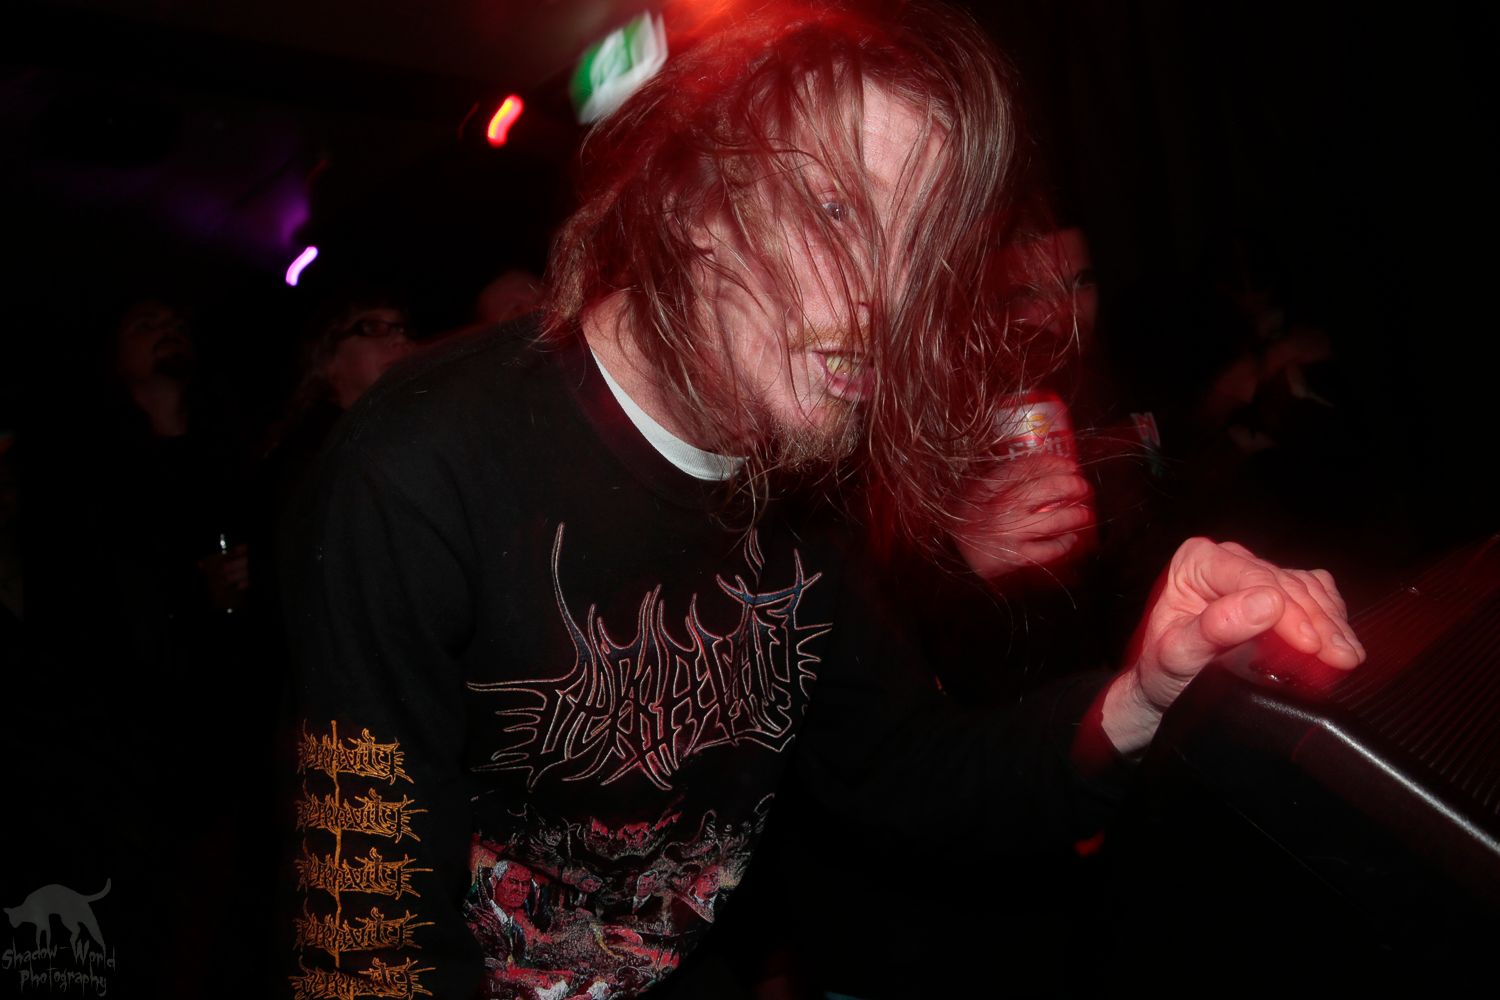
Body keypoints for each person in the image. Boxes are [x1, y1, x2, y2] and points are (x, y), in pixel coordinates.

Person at [280, 3, 1364, 998]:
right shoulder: (418, 469)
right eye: (838, 209)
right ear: (690, 200)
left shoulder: (808, 466)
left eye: (921, 250)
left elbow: (904, 771)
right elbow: (368, 949)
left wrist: (1143, 688)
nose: (889, 301)